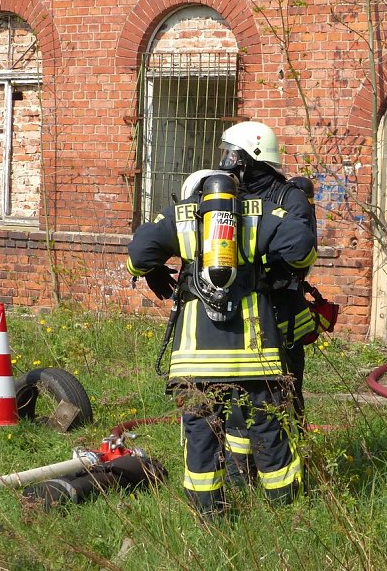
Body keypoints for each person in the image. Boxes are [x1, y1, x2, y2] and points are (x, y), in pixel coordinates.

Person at [126, 124, 317, 518]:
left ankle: (209, 515)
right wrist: (267, 263)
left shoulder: (182, 216)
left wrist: (154, 270)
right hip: (254, 351)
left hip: (195, 356)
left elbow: (137, 253)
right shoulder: (257, 214)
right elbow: (301, 248)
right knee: (268, 425)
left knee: (200, 432)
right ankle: (285, 511)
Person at [216, 122, 319, 486]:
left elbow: (300, 252)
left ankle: (290, 476)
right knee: (237, 399)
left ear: (250, 159)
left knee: (283, 395)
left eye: (231, 154)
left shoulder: (288, 197)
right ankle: (240, 478)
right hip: (237, 316)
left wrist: (257, 259)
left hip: (279, 312)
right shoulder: (225, 196)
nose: (225, 162)